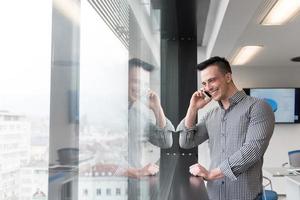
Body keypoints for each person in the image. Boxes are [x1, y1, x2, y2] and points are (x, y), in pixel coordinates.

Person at [177, 56, 275, 200]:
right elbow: (186, 142)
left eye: (212, 80)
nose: (208, 87)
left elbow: (253, 150)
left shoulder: (258, 107)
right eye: (204, 83)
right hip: (214, 195)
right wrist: (193, 109)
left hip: (245, 196)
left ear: (228, 77)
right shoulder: (211, 115)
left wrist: (212, 174)